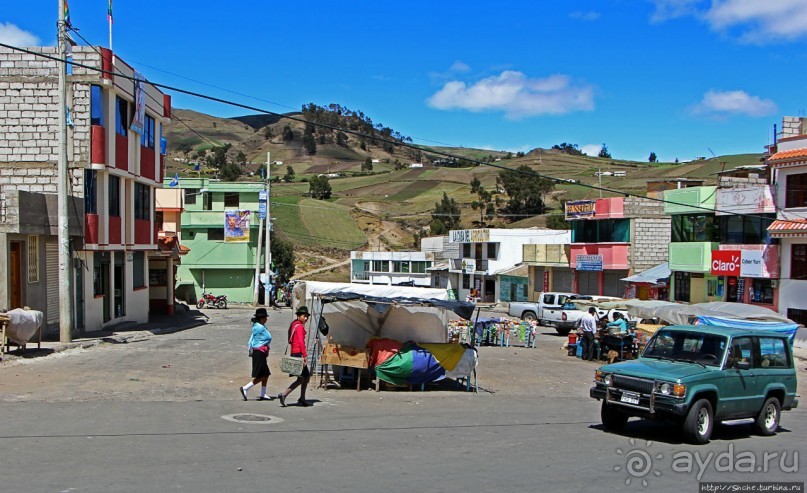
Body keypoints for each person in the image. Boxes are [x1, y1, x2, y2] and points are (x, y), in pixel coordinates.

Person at [278, 306, 311, 407]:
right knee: (302, 378)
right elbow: (301, 342)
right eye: (303, 316)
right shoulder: (299, 326)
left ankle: (302, 398)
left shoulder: (294, 325)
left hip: (295, 353)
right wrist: (304, 355)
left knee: (305, 377)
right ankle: (284, 394)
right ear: (298, 316)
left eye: (306, 316)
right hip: (298, 354)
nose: (305, 318)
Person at [240, 308, 273, 401]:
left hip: (260, 352)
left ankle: (263, 393)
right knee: (262, 375)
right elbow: (268, 337)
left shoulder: (258, 326)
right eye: (265, 317)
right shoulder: (260, 327)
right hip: (259, 352)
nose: (266, 319)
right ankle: (245, 388)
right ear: (261, 318)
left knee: (266, 374)